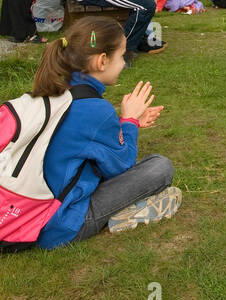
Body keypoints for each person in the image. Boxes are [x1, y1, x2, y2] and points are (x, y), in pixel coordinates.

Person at [26, 20, 181, 248]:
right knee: (160, 167)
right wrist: (128, 122)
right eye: (121, 56)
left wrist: (127, 123)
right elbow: (121, 166)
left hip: (27, 210)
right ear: (102, 61)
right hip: (62, 223)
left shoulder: (53, 90)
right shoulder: (95, 109)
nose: (122, 63)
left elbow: (81, 140)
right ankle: (123, 214)